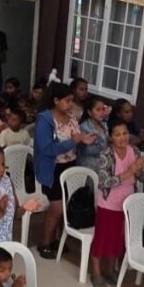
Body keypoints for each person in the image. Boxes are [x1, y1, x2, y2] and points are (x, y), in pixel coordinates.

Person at [33, 83, 96, 259]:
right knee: (57, 208)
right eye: (67, 101)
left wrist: (84, 140)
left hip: (70, 166)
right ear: (55, 100)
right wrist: (73, 142)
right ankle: (44, 242)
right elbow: (47, 148)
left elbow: (77, 137)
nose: (70, 105)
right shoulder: (45, 120)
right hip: (52, 168)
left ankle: (55, 239)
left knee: (64, 206)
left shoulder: (72, 117)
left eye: (71, 101)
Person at [90, 120, 144, 287]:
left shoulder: (135, 151)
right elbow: (104, 182)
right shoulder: (106, 154)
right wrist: (129, 172)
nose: (122, 138)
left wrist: (139, 170)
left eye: (125, 133)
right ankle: (96, 272)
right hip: (108, 202)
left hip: (127, 203)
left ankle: (109, 270)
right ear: (111, 137)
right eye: (118, 134)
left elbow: (142, 177)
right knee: (102, 238)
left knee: (117, 238)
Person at [77, 95, 110, 170]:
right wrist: (105, 149)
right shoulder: (84, 127)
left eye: (103, 109)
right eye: (98, 110)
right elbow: (85, 150)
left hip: (101, 165)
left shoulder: (104, 124)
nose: (101, 112)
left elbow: (107, 140)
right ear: (89, 112)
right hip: (87, 166)